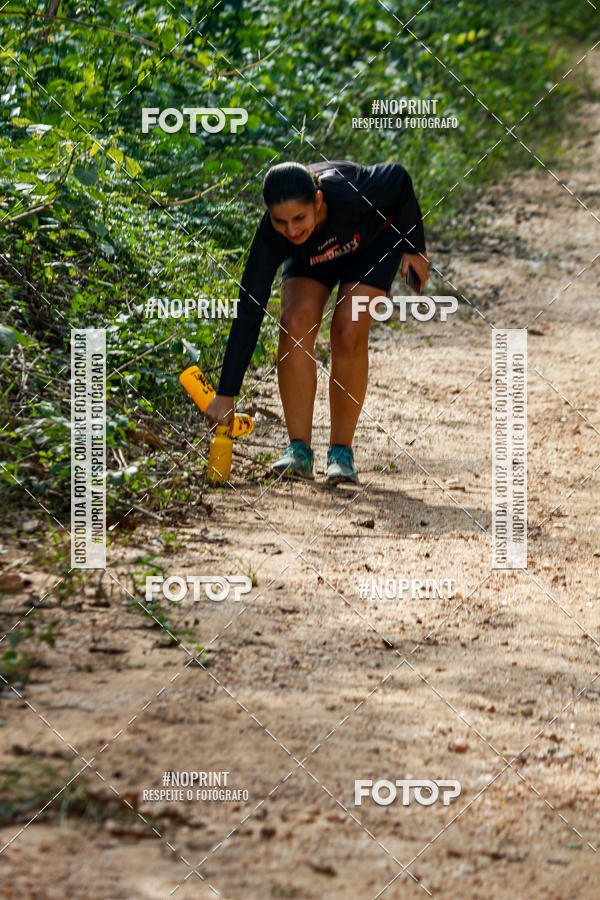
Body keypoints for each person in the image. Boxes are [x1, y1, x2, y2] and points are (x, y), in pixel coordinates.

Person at [206, 159, 428, 484]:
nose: (291, 229)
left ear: (318, 200)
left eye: (299, 217)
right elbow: (250, 309)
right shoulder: (276, 236)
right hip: (312, 257)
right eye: (281, 221)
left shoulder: (353, 193)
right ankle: (298, 451)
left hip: (371, 245)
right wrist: (226, 392)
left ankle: (341, 454)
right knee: (294, 324)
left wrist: (414, 247)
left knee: (348, 331)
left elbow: (398, 178)